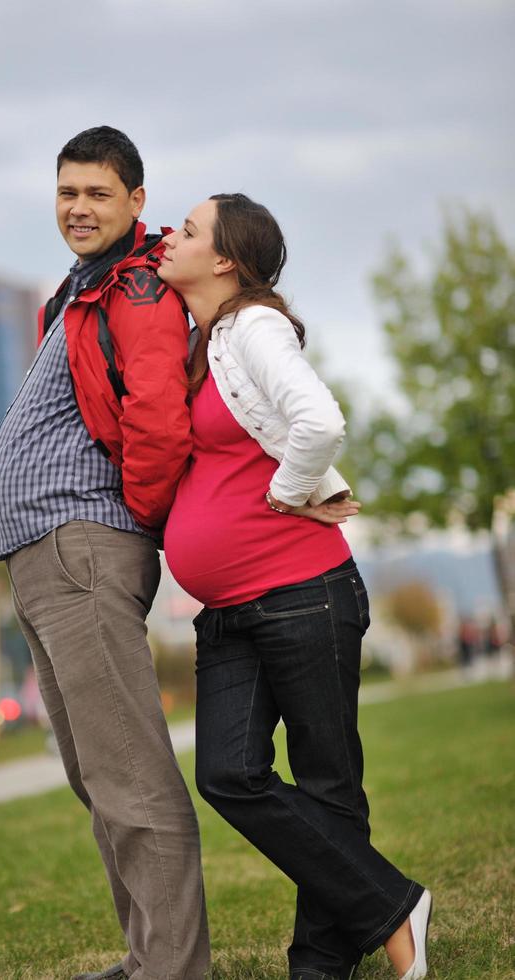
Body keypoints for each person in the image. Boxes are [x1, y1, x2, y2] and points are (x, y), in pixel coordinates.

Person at [157, 193, 432, 980]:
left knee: (326, 783)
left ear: (224, 260)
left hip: (300, 591)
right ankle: (392, 902)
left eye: (188, 229)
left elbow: (318, 422)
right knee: (228, 775)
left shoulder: (253, 328)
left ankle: (318, 965)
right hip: (230, 611)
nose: (170, 237)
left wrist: (281, 498)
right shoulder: (198, 343)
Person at [0, 127, 210, 980]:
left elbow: (156, 422)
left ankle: (173, 971)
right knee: (95, 776)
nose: (79, 207)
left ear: (136, 202)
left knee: (132, 779)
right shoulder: (80, 290)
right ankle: (149, 956)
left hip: (83, 547)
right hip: (44, 552)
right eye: (68, 191)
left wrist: (127, 528)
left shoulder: (138, 289)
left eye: (98, 194)